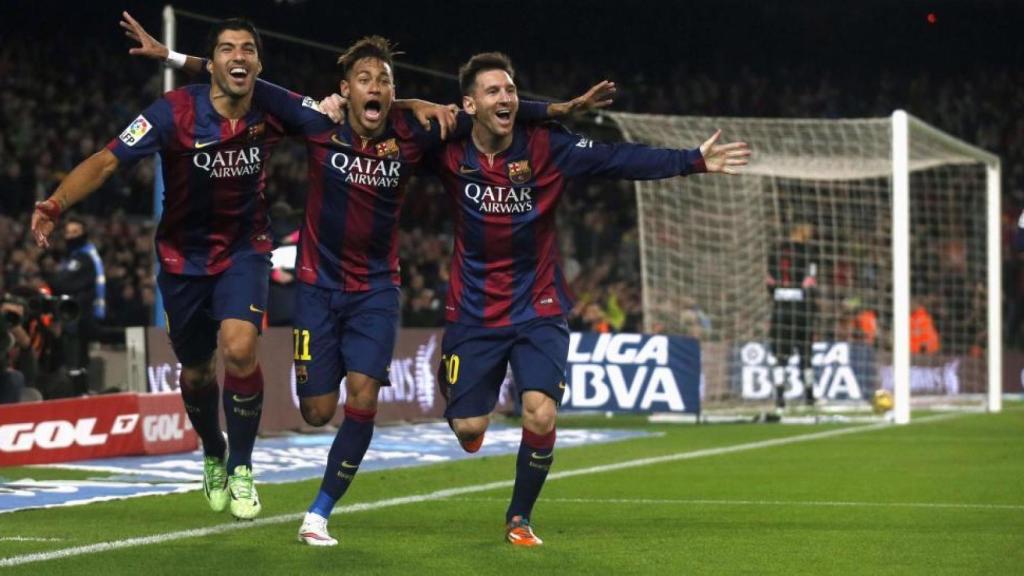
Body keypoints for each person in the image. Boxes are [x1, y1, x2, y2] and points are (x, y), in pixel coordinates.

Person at [120, 15, 613, 545]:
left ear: (394, 92)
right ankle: (224, 453)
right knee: (315, 412)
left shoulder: (414, 133)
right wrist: (172, 59)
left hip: (377, 290)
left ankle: (318, 514)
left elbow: (494, 114)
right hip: (316, 284)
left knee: (363, 398)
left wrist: (557, 111)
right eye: (364, 80)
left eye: (385, 82)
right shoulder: (317, 123)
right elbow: (238, 78)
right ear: (344, 91)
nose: (374, 89)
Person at [430, 52, 750, 546]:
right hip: (473, 311)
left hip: (538, 306)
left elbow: (616, 158)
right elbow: (398, 120)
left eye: (511, 90)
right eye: (493, 91)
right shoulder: (447, 149)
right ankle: (463, 402)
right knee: (469, 427)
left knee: (540, 411)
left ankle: (519, 517)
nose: (506, 98)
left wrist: (692, 160)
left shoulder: (546, 147)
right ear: (469, 103)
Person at [32, 18, 291, 521]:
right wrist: (56, 204)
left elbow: (350, 114)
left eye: (248, 50)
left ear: (259, 63)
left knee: (239, 349)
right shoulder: (172, 112)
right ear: (211, 61)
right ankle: (213, 452)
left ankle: (241, 467)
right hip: (182, 259)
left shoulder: (272, 106)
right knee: (196, 371)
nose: (238, 57)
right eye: (227, 49)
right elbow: (109, 161)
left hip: (244, 251)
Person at [46, 217, 105, 396]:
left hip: (79, 317)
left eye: (75, 233)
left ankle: (79, 395)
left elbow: (62, 283)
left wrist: (49, 279)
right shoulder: (77, 256)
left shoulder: (84, 258)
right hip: (76, 316)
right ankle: (80, 392)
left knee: (76, 360)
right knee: (77, 359)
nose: (70, 237)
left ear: (84, 234)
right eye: (68, 233)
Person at [765, 222, 818, 411]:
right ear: (802, 232)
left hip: (780, 309)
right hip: (801, 310)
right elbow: (810, 282)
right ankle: (810, 396)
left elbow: (769, 282)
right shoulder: (809, 252)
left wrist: (780, 293)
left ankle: (779, 398)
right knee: (805, 355)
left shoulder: (775, 251)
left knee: (780, 356)